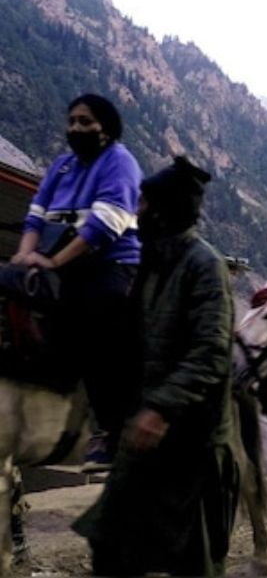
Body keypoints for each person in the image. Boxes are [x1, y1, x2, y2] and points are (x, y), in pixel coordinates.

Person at [72, 157, 238, 576]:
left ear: (164, 210)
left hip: (192, 442)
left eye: (144, 203)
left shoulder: (204, 265)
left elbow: (211, 351)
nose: (137, 211)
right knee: (109, 544)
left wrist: (161, 408)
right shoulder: (153, 262)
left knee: (193, 562)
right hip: (145, 441)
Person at [10, 93, 142, 472]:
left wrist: (50, 262)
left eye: (85, 122)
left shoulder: (120, 162)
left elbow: (101, 228)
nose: (76, 129)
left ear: (106, 126)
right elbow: (35, 218)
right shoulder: (62, 167)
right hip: (59, 264)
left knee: (94, 323)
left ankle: (110, 430)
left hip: (110, 266)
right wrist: (24, 256)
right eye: (71, 122)